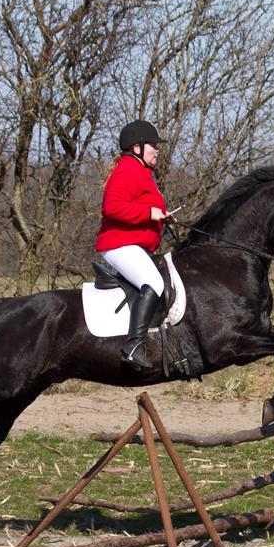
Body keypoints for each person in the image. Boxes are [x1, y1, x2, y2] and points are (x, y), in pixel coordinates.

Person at [95, 119, 169, 370]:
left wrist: (161, 216)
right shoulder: (128, 170)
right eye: (153, 146)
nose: (157, 150)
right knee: (154, 283)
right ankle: (133, 346)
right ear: (137, 147)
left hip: (132, 245)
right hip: (119, 244)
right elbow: (112, 208)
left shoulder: (141, 171)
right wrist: (149, 213)